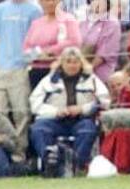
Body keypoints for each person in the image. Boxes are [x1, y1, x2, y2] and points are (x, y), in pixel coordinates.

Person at [29, 45, 109, 173]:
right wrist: (55, 112)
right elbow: (35, 104)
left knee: (88, 130)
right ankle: (50, 163)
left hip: (81, 119)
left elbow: (104, 101)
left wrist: (82, 109)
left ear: (81, 63)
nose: (72, 65)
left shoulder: (91, 80)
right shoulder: (49, 81)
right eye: (68, 62)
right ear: (62, 63)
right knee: (38, 129)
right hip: (55, 120)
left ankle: (75, 165)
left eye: (76, 62)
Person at [0, 0, 43, 161]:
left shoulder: (35, 9)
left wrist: (28, 62)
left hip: (21, 68)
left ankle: (19, 152)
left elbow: (35, 40)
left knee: (21, 113)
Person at [80, 0, 121, 83]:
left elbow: (104, 54)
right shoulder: (83, 20)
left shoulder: (112, 23)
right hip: (79, 68)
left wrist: (87, 68)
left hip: (100, 73)